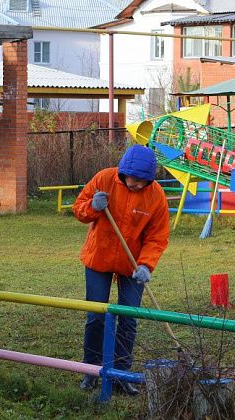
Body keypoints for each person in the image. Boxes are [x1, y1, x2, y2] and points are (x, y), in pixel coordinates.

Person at [72, 145, 170, 396]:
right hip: (99, 259)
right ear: (123, 172)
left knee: (129, 319)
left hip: (133, 265)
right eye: (132, 180)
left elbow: (157, 237)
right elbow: (79, 210)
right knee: (96, 316)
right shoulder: (105, 178)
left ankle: (121, 374)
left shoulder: (155, 195)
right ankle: (91, 370)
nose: (136, 185)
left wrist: (146, 265)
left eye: (142, 182)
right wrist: (93, 206)